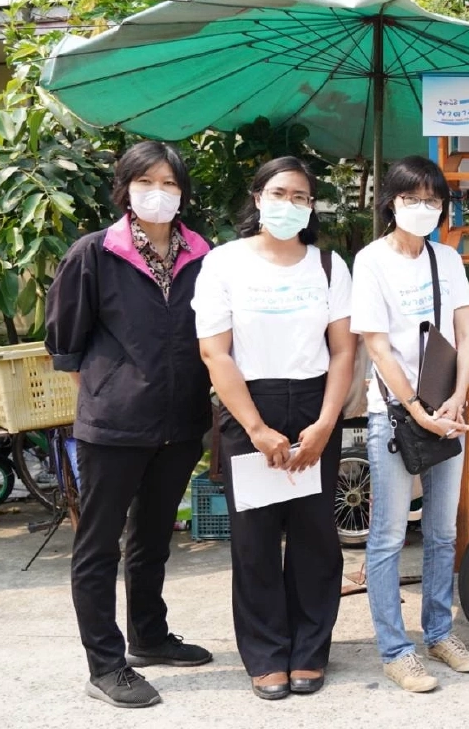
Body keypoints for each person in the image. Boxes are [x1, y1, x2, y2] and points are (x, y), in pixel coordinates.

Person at [45, 140, 214, 708]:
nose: (159, 193)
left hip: (181, 422)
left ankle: (149, 635)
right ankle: (105, 664)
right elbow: (66, 348)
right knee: (98, 546)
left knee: (153, 537)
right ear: (125, 188)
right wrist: (107, 399)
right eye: (148, 182)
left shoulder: (202, 254)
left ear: (183, 192)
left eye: (170, 183)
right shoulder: (93, 254)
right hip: (113, 428)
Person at [194, 157, 354, 700]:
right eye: (279, 193)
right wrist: (257, 429)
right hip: (249, 408)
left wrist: (326, 424)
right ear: (258, 197)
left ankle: (310, 650)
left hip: (314, 404)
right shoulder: (223, 263)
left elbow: (343, 350)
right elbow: (216, 354)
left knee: (315, 538)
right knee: (255, 541)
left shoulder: (329, 266)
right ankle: (265, 655)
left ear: (311, 207)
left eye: (302, 197)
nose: (290, 205)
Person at [352, 156, 469, 693]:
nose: (422, 208)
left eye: (432, 200)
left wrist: (456, 399)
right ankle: (395, 649)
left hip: (446, 412)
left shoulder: (447, 259)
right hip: (394, 416)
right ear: (391, 202)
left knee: (443, 531)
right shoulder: (370, 260)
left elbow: (467, 333)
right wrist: (415, 409)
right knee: (385, 538)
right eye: (411, 198)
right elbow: (376, 345)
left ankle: (438, 631)